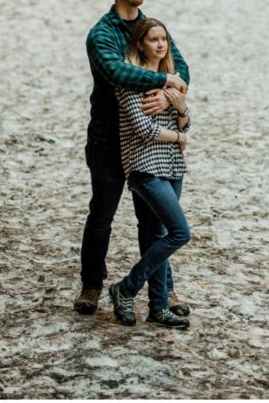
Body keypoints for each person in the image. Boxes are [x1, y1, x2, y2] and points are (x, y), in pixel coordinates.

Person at [75, 0, 191, 318]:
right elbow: (115, 70)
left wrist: (170, 93)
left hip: (149, 146)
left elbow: (179, 66)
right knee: (102, 215)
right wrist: (161, 82)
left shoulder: (150, 28)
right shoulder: (102, 33)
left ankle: (163, 293)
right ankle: (92, 286)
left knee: (153, 222)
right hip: (109, 139)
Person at [108, 18, 192, 328]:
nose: (160, 44)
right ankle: (125, 288)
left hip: (172, 166)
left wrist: (181, 108)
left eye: (164, 39)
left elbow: (185, 123)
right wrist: (180, 137)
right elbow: (144, 129)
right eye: (153, 39)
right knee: (179, 233)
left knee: (154, 234)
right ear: (140, 44)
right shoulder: (130, 82)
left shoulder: (168, 81)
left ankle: (158, 307)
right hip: (145, 168)